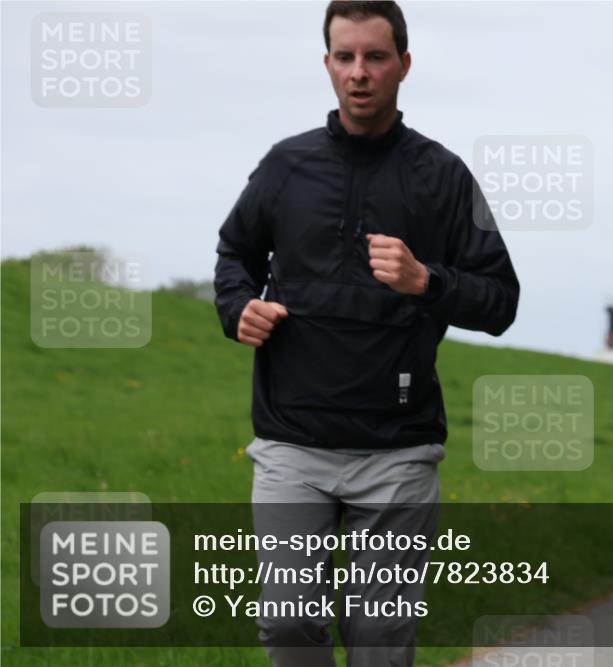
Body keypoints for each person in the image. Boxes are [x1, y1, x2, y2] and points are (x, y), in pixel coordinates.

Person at [213, 3, 520, 665]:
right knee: (288, 622)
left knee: (379, 641)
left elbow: (501, 299)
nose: (360, 73)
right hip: (292, 441)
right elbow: (235, 254)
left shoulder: (443, 176)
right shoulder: (286, 166)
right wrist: (238, 307)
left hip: (398, 453)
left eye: (375, 57)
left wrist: (426, 281)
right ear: (326, 63)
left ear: (404, 65)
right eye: (345, 57)